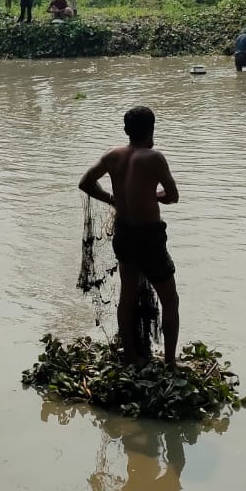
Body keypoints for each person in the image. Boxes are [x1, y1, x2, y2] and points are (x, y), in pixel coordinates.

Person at [79, 104, 180, 367]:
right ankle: (170, 362)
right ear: (152, 130)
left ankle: (132, 358)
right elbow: (172, 196)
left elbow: (86, 182)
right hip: (149, 237)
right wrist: (152, 195)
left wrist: (113, 199)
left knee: (128, 295)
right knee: (170, 299)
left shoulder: (113, 155)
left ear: (126, 130)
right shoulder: (154, 158)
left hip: (124, 234)